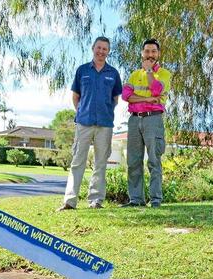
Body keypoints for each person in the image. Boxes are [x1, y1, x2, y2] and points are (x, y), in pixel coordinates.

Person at [57, 36, 123, 211]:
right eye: (99, 48)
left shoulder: (113, 73)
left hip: (105, 124)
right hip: (84, 123)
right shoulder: (82, 70)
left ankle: (96, 201)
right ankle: (70, 201)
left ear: (108, 52)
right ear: (93, 48)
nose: (101, 51)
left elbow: (115, 99)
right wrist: (81, 112)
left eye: (105, 49)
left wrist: (106, 111)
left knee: (100, 163)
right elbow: (75, 96)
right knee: (77, 162)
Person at [121, 38, 172, 208]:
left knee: (154, 161)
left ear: (158, 54)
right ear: (142, 53)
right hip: (134, 119)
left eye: (153, 51)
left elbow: (158, 89)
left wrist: (149, 72)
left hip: (153, 120)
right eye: (147, 51)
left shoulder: (164, 73)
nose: (150, 54)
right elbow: (126, 96)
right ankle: (136, 200)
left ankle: (155, 200)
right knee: (133, 161)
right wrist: (150, 98)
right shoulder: (134, 74)